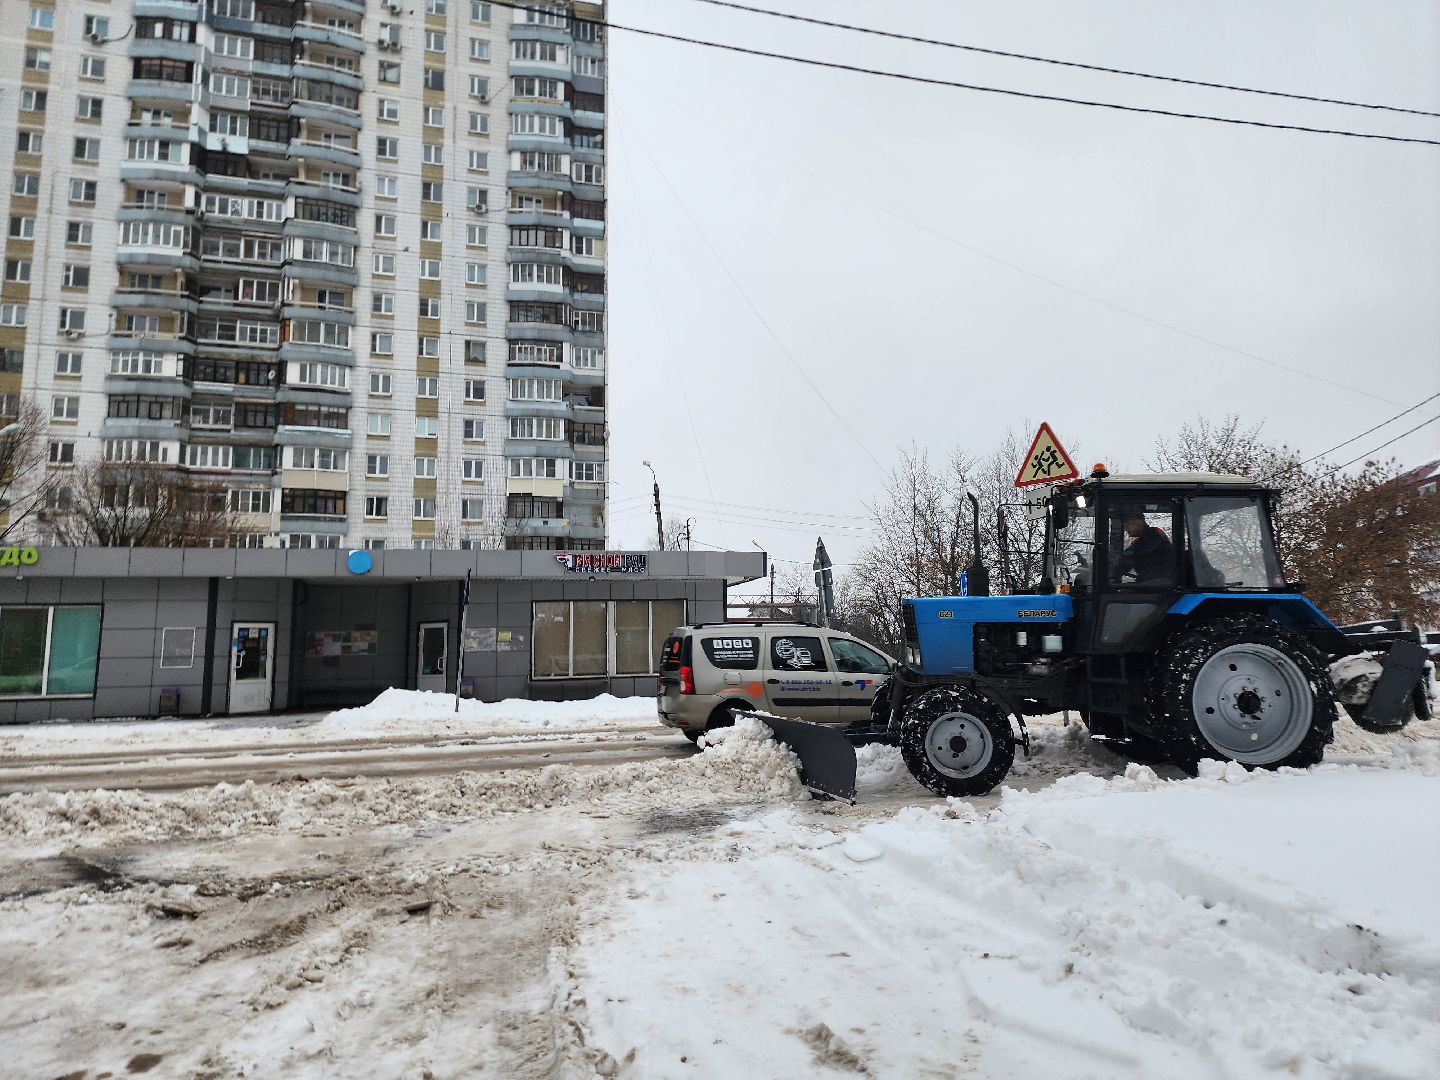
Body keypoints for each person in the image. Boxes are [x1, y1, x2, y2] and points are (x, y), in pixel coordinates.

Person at [1114, 512, 1173, 583]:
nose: (1126, 529)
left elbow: (1130, 555)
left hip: (1161, 579)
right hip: (1154, 578)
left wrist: (1117, 568)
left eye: (1127, 526)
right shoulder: (1144, 538)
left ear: (1138, 523)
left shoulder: (1152, 534)